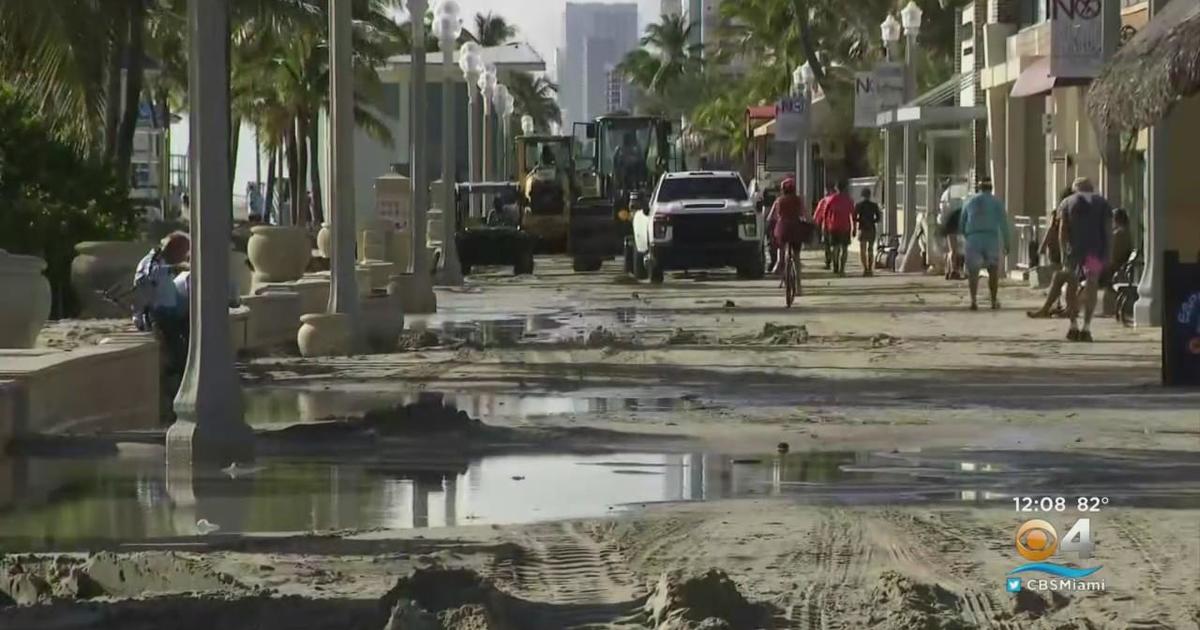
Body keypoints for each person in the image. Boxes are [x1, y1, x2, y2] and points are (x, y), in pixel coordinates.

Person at [1058, 177, 1113, 342]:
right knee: (1091, 285)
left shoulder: (1067, 203)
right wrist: (1108, 253)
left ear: (1075, 189)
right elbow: (1108, 231)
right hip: (1094, 253)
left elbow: (1063, 231)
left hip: (1073, 254)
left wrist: (1063, 253)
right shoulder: (1102, 204)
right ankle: (1087, 326)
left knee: (1071, 287)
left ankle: (1073, 325)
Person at [132, 232, 191, 375]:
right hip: (157, 314)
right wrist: (175, 268)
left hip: (171, 312)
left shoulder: (163, 261)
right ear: (172, 249)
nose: (184, 256)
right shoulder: (151, 262)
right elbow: (150, 274)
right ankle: (176, 374)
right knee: (177, 347)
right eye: (182, 252)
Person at [960, 176, 1011, 311]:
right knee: (993, 270)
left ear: (979, 187)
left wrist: (966, 236)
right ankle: (993, 300)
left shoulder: (969, 201)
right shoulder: (996, 202)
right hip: (990, 238)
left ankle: (973, 300)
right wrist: (1007, 242)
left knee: (973, 272)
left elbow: (962, 222)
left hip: (973, 238)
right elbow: (1004, 224)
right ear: (991, 188)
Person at [1027, 188, 1077, 319]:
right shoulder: (1080, 212)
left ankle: (1058, 307)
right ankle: (1062, 306)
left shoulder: (1064, 211)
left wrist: (1045, 246)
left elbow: (1057, 232)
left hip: (1070, 254)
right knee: (1063, 275)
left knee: (1061, 275)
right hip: (1075, 255)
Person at [768, 177, 810, 277]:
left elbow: (770, 217)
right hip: (796, 229)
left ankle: (779, 262)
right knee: (796, 256)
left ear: (782, 189)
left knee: (780, 245)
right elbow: (805, 215)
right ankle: (799, 286)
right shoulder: (798, 200)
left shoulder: (779, 201)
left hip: (782, 229)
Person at [823, 181, 855, 276]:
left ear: (836, 189)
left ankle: (835, 265)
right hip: (845, 227)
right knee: (844, 248)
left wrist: (825, 224)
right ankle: (842, 268)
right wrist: (854, 228)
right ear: (845, 189)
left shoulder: (832, 199)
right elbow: (853, 215)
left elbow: (825, 212)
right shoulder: (849, 200)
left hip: (833, 226)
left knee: (835, 247)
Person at [938, 183, 965, 280]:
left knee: (951, 250)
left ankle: (948, 270)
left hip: (947, 227)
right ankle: (953, 270)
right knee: (953, 250)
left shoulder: (946, 198)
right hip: (952, 227)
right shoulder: (959, 207)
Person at [853, 188, 882, 277]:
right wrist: (872, 221)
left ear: (862, 195)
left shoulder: (858, 205)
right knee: (870, 249)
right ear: (869, 195)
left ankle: (865, 268)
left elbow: (854, 217)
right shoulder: (874, 205)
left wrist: (859, 222)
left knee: (862, 250)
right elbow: (878, 218)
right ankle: (870, 268)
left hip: (862, 229)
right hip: (871, 229)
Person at [812, 184, 836, 270]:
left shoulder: (824, 201)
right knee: (835, 244)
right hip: (837, 225)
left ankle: (828, 262)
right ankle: (835, 259)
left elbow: (817, 214)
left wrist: (816, 223)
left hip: (826, 225)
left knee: (827, 245)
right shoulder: (837, 200)